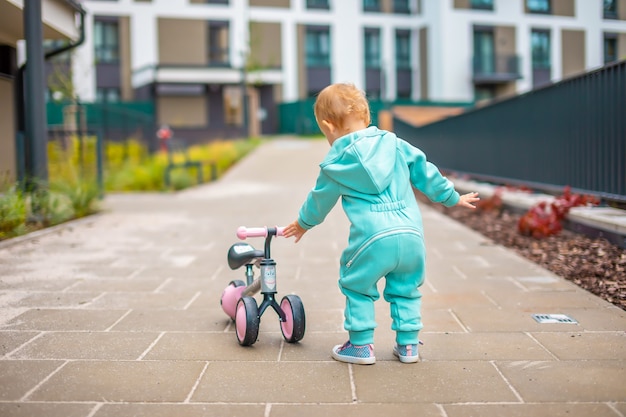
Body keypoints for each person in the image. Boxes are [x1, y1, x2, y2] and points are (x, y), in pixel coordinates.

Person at [283, 83, 479, 365]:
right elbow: (425, 171)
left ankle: (361, 346)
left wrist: (303, 223)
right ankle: (409, 345)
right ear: (366, 117)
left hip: (371, 240)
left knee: (357, 285)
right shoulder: (395, 144)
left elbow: (319, 201)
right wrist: (451, 197)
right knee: (407, 289)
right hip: (411, 235)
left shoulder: (335, 164)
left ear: (328, 126)